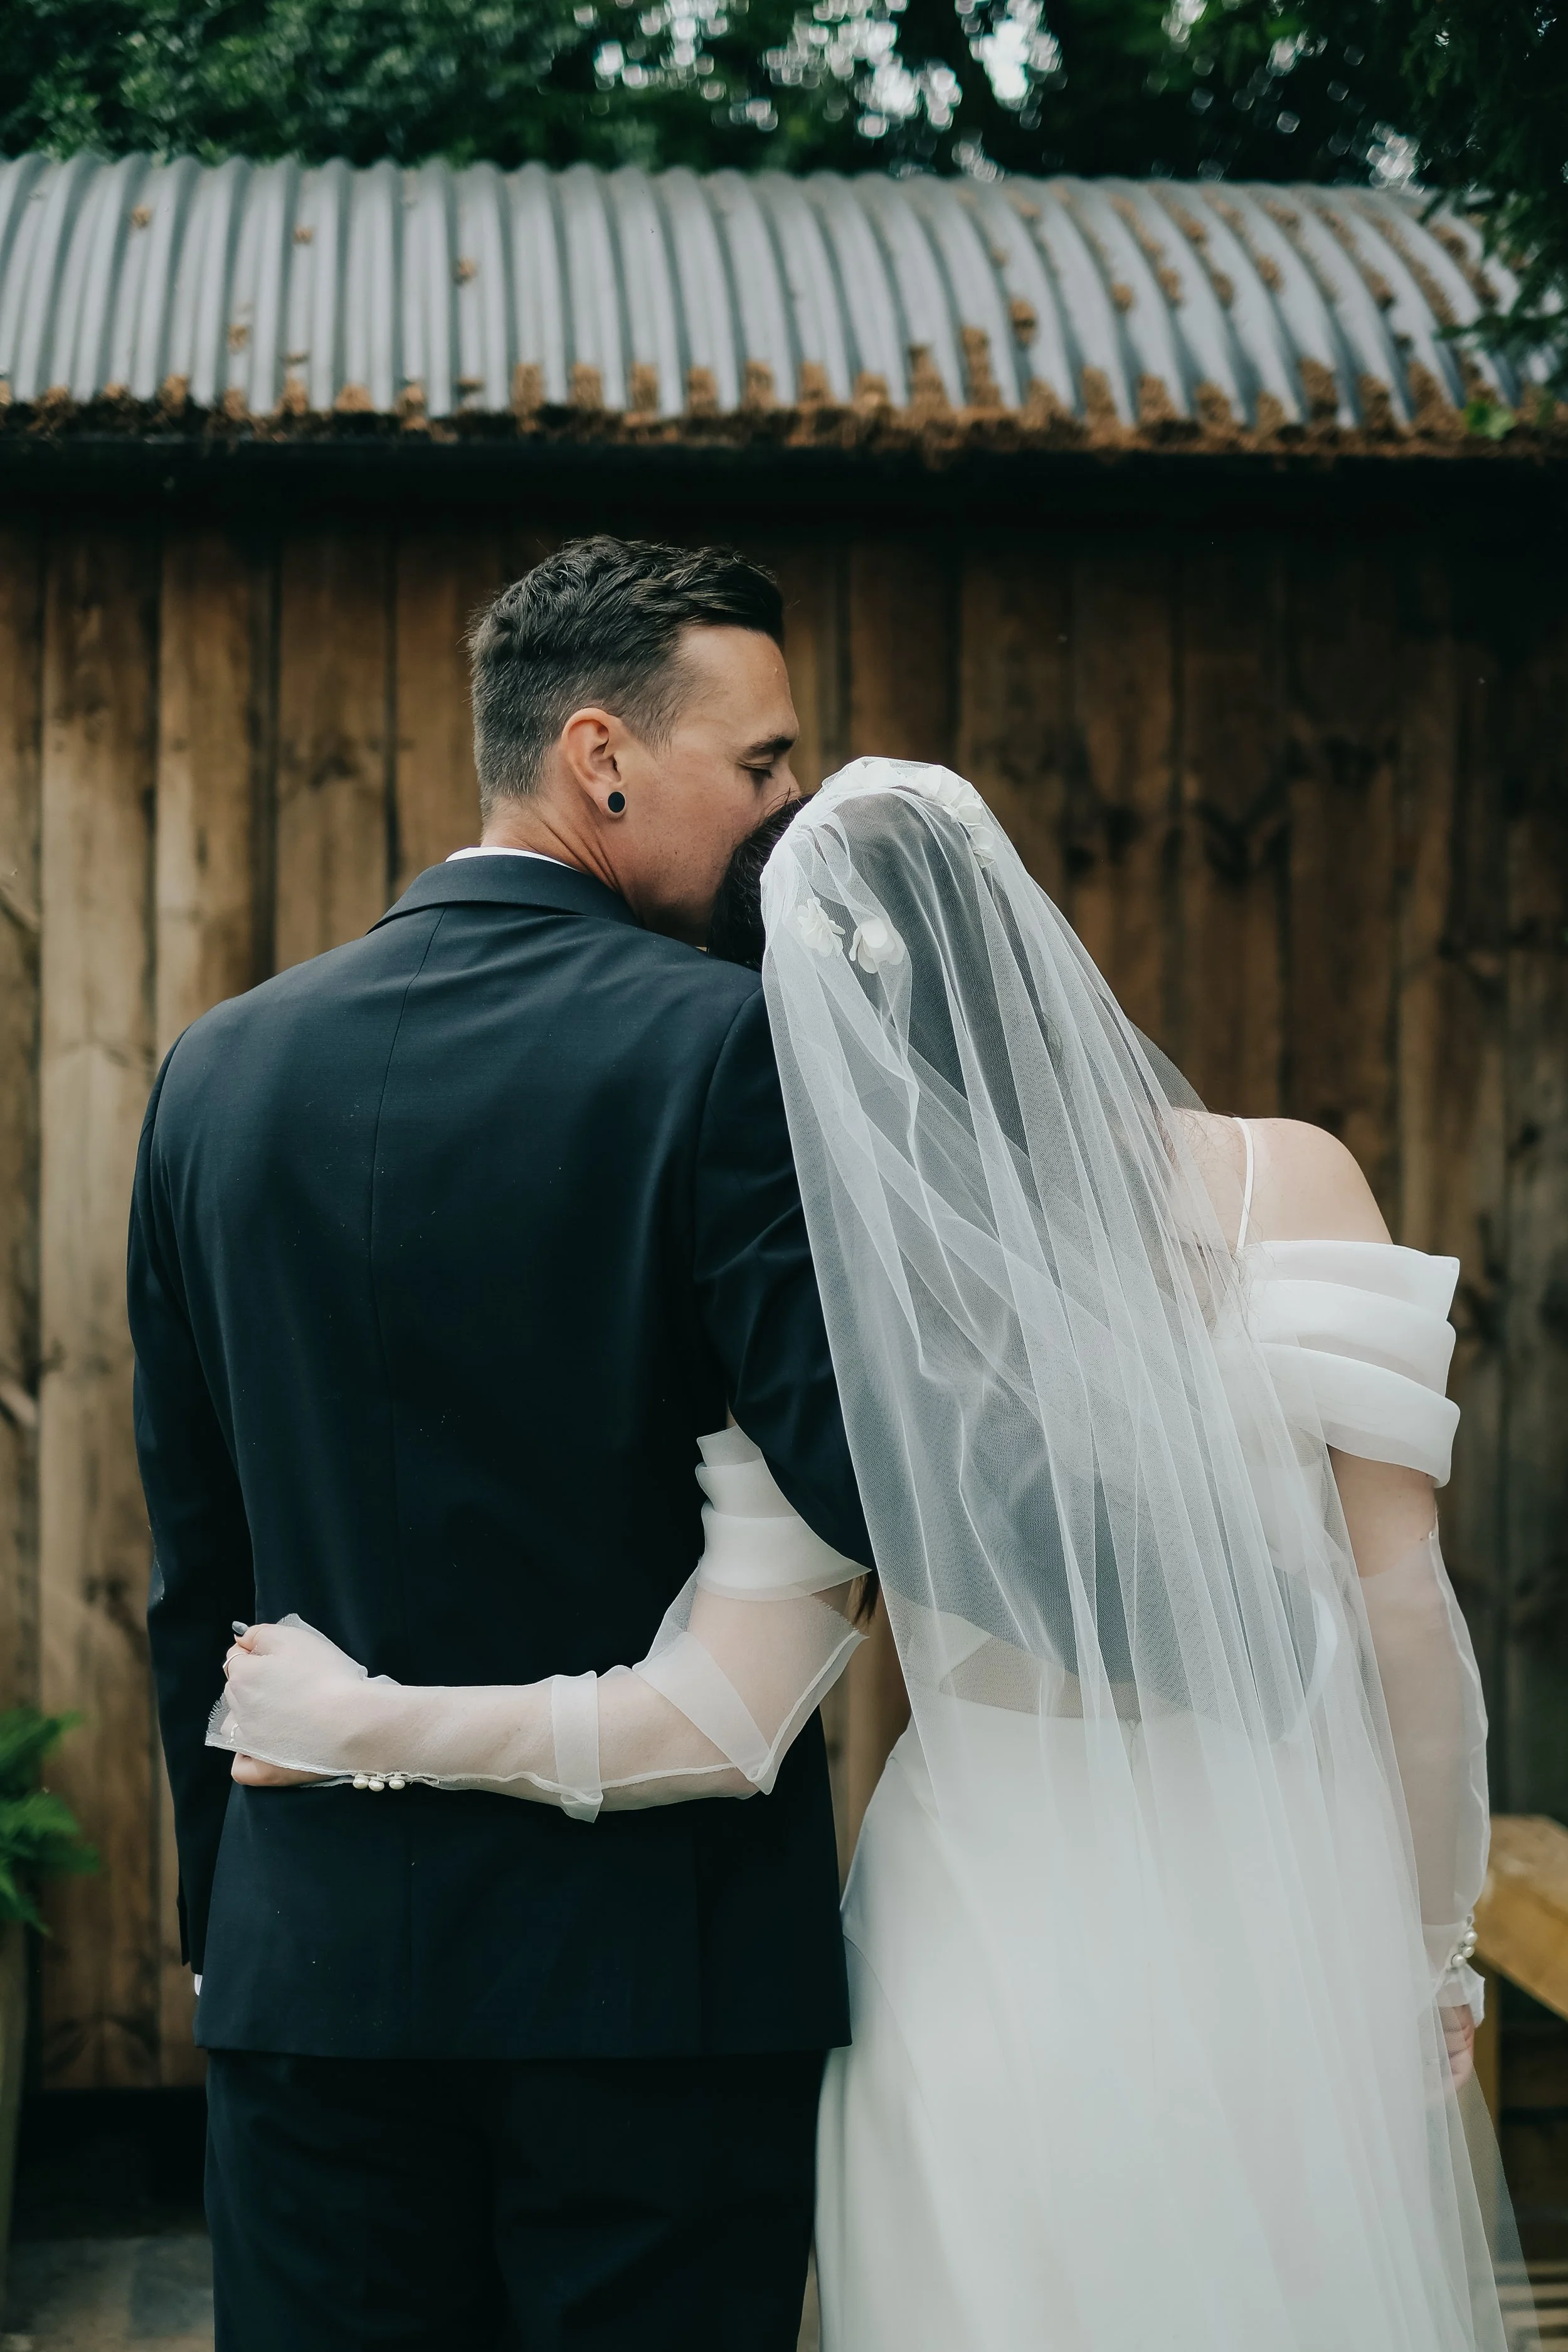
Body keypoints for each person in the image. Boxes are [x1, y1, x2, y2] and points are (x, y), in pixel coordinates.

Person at [219, 757, 1514, 2351]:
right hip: (1281, 1914)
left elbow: (717, 1712)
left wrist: (364, 1722)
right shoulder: (1288, 1177)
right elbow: (1401, 1606)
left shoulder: (838, 1316)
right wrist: (1423, 1940)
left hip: (980, 1953)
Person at [129, 538, 873, 2352]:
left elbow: (196, 1558)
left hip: (305, 1974)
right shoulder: (725, 1050)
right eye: (762, 763)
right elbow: (865, 1484)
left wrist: (233, 1915)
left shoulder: (215, 1070)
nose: (789, 808)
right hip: (649, 1996)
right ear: (602, 757)